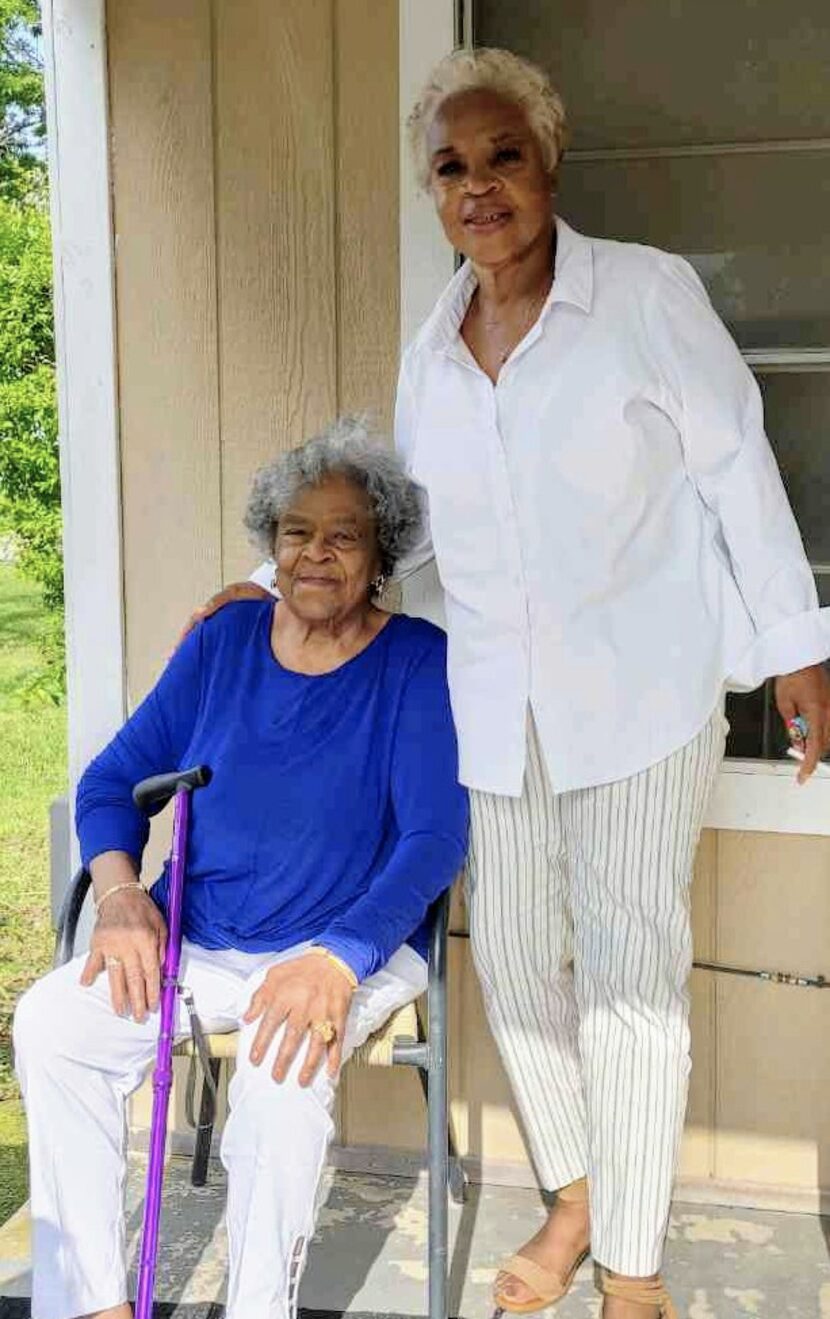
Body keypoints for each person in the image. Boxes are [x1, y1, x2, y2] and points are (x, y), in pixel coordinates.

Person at [188, 48, 830, 1319]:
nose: (477, 186)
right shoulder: (431, 354)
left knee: (633, 977)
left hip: (640, 696)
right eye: (450, 167)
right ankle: (581, 1190)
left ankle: (632, 1275)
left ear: (546, 165)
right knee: (522, 976)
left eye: (501, 158)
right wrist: (277, 585)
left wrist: (795, 645)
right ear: (431, 194)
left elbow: (735, 468)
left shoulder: (641, 298)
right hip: (492, 714)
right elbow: (409, 543)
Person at [13, 418, 469, 1319]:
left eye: (345, 535)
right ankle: (94, 1304)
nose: (317, 554)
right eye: (298, 532)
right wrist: (119, 893)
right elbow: (113, 781)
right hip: (203, 935)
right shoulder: (222, 644)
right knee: (52, 1022)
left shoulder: (417, 663)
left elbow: (433, 839)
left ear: (379, 555)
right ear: (271, 544)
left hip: (347, 945)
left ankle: (259, 1305)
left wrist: (337, 957)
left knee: (281, 1082)